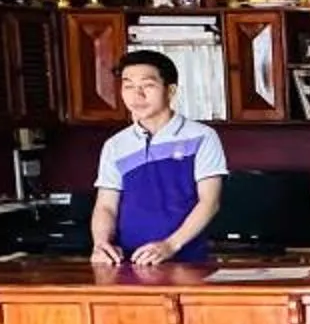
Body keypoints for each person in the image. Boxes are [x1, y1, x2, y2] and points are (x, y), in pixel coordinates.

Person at [90, 49, 225, 269]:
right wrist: (101, 244)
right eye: (128, 86)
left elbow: (209, 202)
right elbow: (106, 206)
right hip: (128, 263)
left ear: (170, 90)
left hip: (186, 261)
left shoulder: (202, 136)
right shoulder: (115, 145)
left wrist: (170, 245)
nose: (137, 95)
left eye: (147, 85)